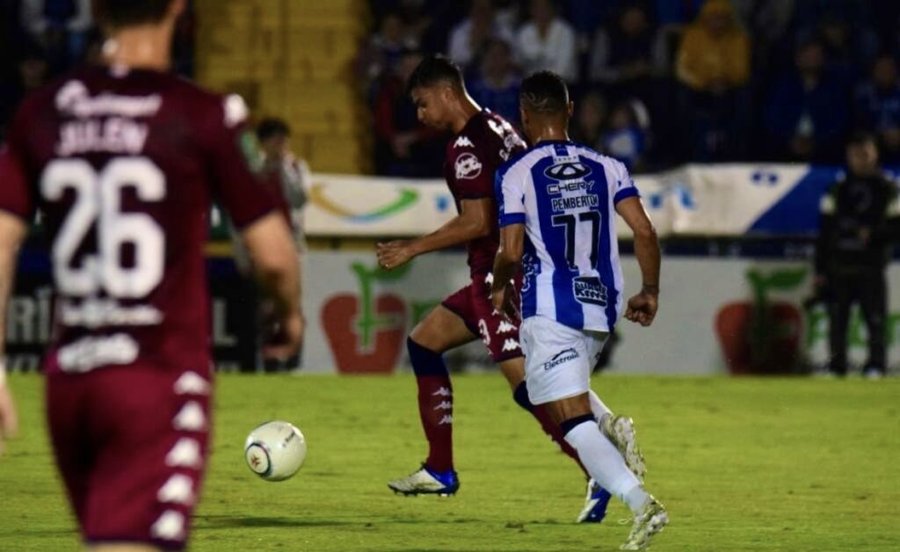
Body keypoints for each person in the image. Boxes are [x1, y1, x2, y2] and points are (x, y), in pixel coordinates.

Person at [0, 1, 303, 550]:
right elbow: (276, 255)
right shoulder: (203, 113)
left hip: (70, 382)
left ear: (96, 8)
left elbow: (1, 237)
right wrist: (289, 314)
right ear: (178, 8)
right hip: (155, 378)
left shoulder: (42, 111)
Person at [376, 54, 642, 524]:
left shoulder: (465, 147)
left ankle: (598, 467)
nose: (420, 115)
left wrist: (413, 247)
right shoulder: (498, 125)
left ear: (446, 93)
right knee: (424, 342)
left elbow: (477, 221)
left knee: (531, 386)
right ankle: (439, 468)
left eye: (422, 103)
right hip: (508, 269)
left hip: (497, 274)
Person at [490, 70, 667, 550]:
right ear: (569, 111)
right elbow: (645, 231)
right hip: (602, 305)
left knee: (567, 417)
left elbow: (509, 250)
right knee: (558, 391)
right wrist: (650, 291)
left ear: (524, 117)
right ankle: (610, 424)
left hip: (551, 303)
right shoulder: (608, 166)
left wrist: (499, 287)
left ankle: (641, 504)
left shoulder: (516, 173)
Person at [815, 132, 900, 378]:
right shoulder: (837, 189)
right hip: (839, 264)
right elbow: (825, 232)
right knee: (837, 320)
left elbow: (897, 227)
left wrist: (873, 235)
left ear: (875, 154)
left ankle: (875, 365)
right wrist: (820, 269)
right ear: (848, 156)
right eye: (855, 154)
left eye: (865, 153)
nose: (860, 159)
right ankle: (836, 366)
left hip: (871, 265)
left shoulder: (888, 188)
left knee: (875, 319)